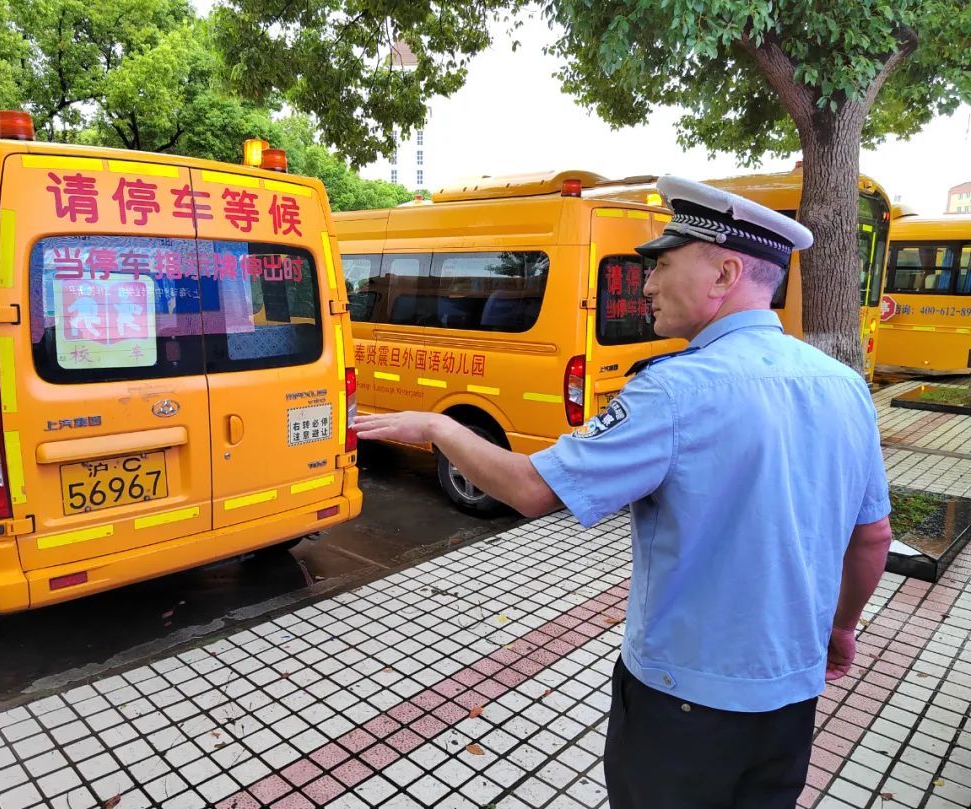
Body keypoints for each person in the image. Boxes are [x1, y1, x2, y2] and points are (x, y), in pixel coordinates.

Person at [353, 175, 893, 809]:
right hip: (791, 696)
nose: (647, 284)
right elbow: (873, 537)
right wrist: (842, 627)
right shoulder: (841, 384)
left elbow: (532, 491)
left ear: (724, 274)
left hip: (682, 703)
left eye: (662, 265)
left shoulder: (673, 390)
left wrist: (439, 427)